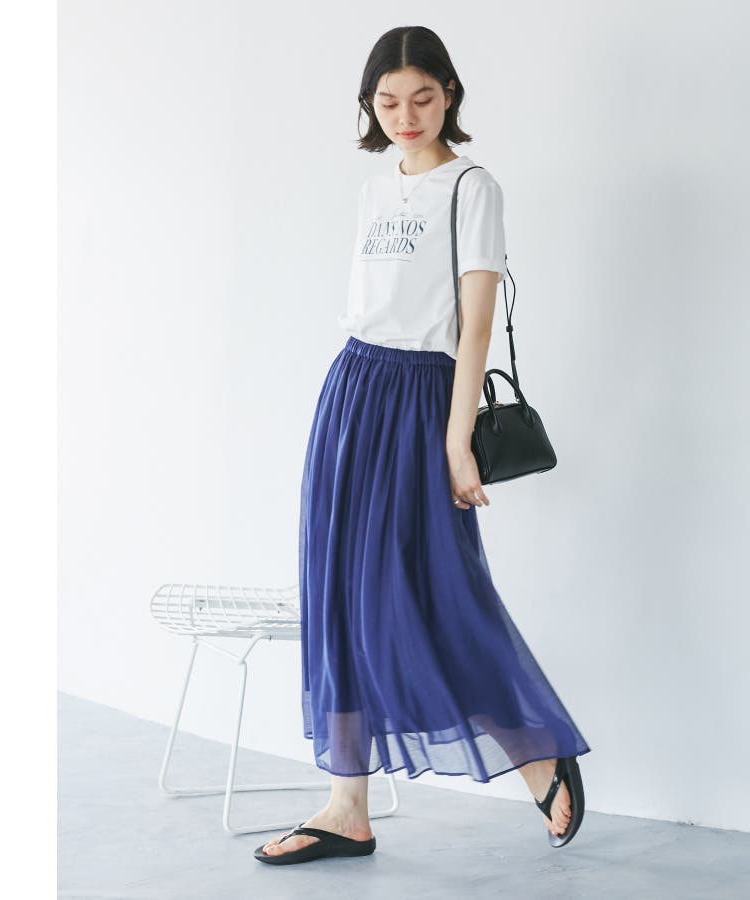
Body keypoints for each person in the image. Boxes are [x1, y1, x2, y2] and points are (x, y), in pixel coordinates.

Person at [255, 25, 591, 867]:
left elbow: (474, 324)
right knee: (339, 592)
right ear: (369, 105)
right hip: (352, 389)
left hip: (421, 398)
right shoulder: (375, 190)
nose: (405, 116)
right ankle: (346, 806)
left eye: (422, 98)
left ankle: (536, 752)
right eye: (388, 101)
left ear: (450, 97)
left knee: (433, 590)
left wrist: (455, 439)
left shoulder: (472, 188)